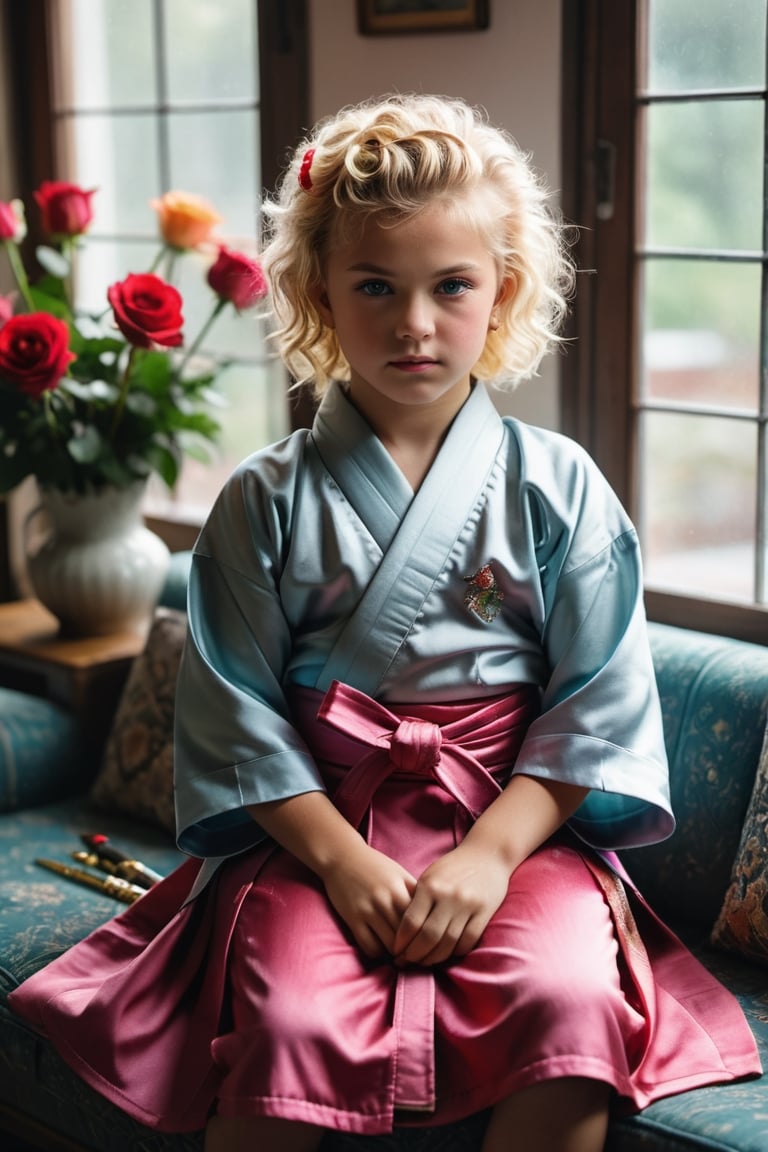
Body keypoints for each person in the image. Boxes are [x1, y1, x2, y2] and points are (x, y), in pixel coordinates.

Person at [8, 93, 761, 1152]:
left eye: (451, 286)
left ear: (502, 291)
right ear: (321, 292)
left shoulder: (559, 487)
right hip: (317, 832)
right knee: (292, 1014)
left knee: (563, 1002)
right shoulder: (261, 502)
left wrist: (490, 857)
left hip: (514, 829)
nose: (414, 323)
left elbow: (598, 704)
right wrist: (348, 865)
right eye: (376, 286)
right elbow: (235, 718)